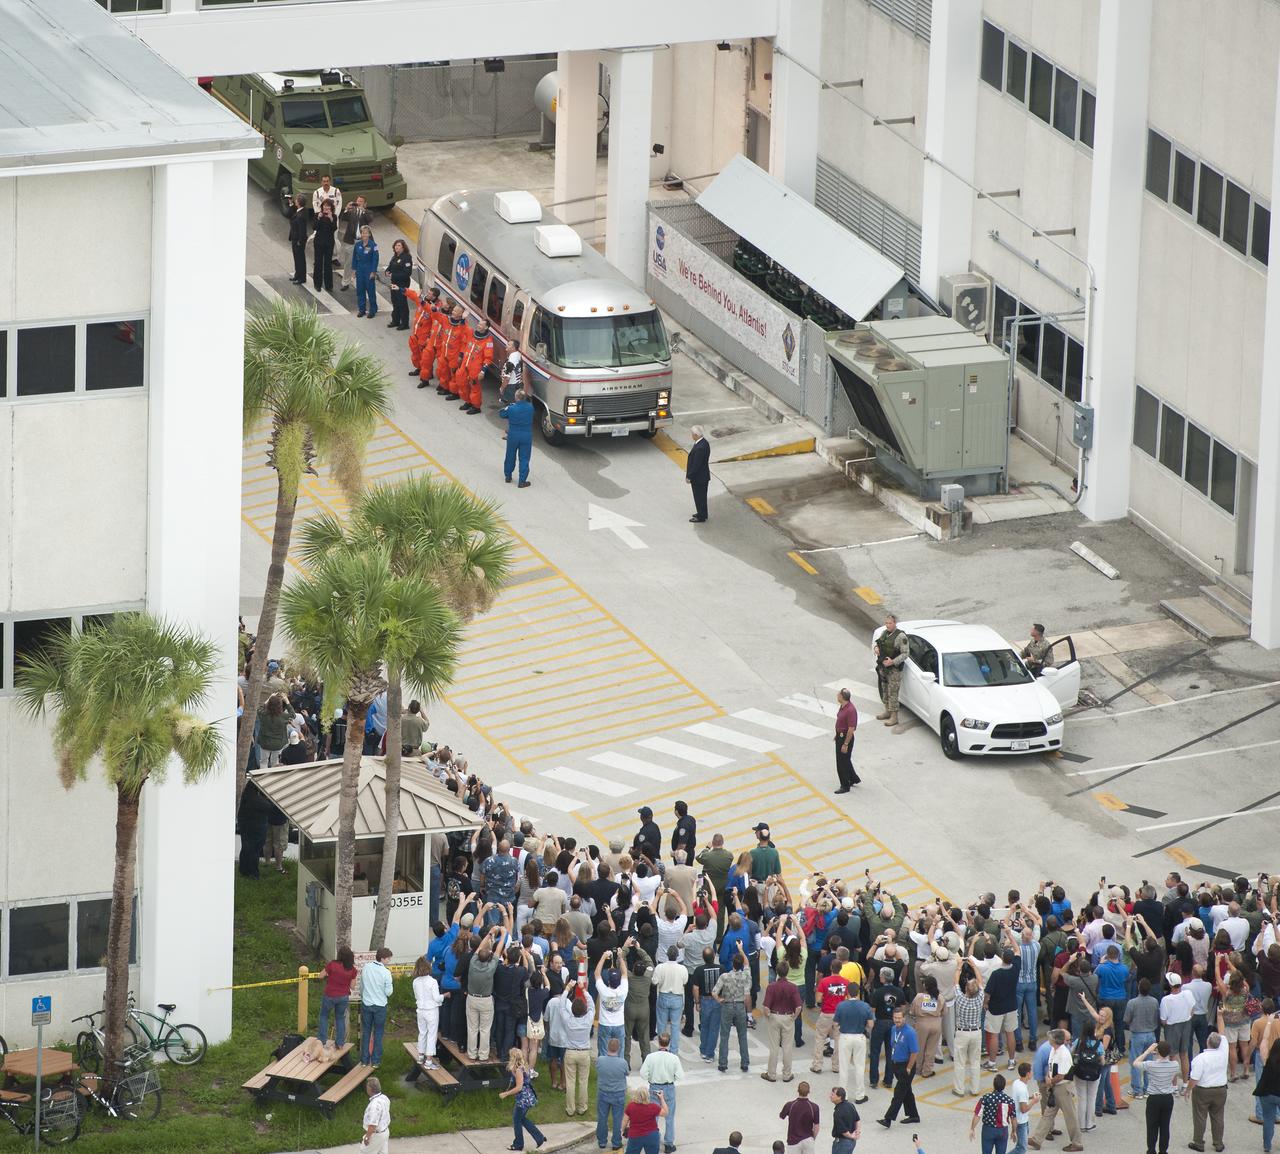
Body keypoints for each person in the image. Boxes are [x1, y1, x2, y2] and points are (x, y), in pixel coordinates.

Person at [1027, 1029, 1083, 1151]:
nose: (1049, 1040)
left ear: (1055, 1040)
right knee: (1048, 1113)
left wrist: (1050, 1081)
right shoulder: (1054, 1050)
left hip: (1062, 1087)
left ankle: (1077, 1143)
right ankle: (1037, 1139)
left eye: (1050, 1038)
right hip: (1055, 1086)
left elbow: (1062, 1075)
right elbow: (1051, 1066)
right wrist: (1048, 1076)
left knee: (1070, 1115)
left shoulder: (1063, 1054)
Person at [1133, 1039, 1181, 1154]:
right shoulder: (1174, 1065)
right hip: (1167, 1098)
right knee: (1165, 1125)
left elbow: (1135, 1063)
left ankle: (1151, 1150)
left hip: (1154, 1098)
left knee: (1152, 1126)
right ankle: (1163, 1151)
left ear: (1157, 1052)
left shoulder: (1151, 1065)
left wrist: (1147, 1052)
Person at [1184, 1030, 1228, 1153]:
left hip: (1203, 1091)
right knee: (1218, 1116)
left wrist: (1188, 1090)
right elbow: (1223, 1036)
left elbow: (1194, 1078)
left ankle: (1198, 1142)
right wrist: (1220, 1016)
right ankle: (1218, 1143)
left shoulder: (1200, 1059)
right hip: (1220, 1089)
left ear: (1207, 1042)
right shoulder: (1224, 1053)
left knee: (1200, 1117)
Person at [877, 1006, 920, 1129]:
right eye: (895, 1018)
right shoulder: (893, 1029)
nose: (897, 1020)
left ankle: (888, 1119)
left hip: (906, 1066)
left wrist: (908, 1068)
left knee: (898, 1093)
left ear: (904, 1018)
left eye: (899, 1018)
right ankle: (914, 1115)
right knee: (907, 1092)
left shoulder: (910, 1032)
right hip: (896, 1064)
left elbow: (914, 1052)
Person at [640, 1034, 683, 1153]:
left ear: (659, 1042)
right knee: (669, 1117)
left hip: (654, 1087)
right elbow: (680, 1075)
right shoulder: (673, 1058)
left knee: (654, 1116)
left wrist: (651, 1077)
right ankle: (669, 1143)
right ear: (669, 1043)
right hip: (668, 1087)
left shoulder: (650, 1057)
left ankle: (653, 1141)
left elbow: (643, 1073)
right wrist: (671, 1077)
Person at [763, 960, 804, 1082]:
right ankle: (787, 1074)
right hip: (788, 1017)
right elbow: (798, 1006)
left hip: (774, 1016)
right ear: (787, 972)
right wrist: (794, 1017)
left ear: (777, 971)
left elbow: (766, 1007)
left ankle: (771, 1074)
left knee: (774, 1047)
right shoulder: (793, 987)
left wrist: (768, 1016)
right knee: (787, 1047)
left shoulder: (771, 987)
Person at [499, 1048, 547, 1151]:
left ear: (513, 1058)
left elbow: (519, 1087)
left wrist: (506, 1094)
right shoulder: (523, 1066)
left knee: (517, 1120)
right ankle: (539, 1138)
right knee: (522, 1119)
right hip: (527, 1097)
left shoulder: (518, 1070)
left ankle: (518, 1144)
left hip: (523, 1099)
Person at [834, 982, 873, 1104]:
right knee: (859, 1066)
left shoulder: (841, 1006)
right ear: (858, 993)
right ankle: (860, 1095)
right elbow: (871, 1024)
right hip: (859, 1037)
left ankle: (842, 1095)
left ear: (847, 993)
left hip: (845, 1037)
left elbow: (835, 1023)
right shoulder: (865, 1006)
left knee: (844, 1066)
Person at [714, 946, 752, 1072]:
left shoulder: (725, 977)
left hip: (728, 1005)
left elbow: (715, 992)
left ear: (732, 964)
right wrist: (741, 949)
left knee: (724, 1035)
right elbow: (747, 963)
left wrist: (720, 1000)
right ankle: (745, 1062)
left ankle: (723, 1063)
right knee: (742, 1035)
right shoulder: (746, 975)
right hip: (740, 1006)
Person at [360, 946, 394, 1066]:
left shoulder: (366, 968)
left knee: (366, 1032)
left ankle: (364, 1060)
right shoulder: (386, 972)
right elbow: (389, 992)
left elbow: (362, 985)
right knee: (378, 1033)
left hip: (366, 1003)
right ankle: (375, 1061)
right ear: (383, 959)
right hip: (380, 1006)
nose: (389, 961)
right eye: (388, 959)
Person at [318, 945, 357, 1047]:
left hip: (330, 995)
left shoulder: (332, 965)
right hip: (343, 997)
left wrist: (329, 975)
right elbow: (352, 986)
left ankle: (322, 1040)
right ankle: (340, 1043)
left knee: (324, 1016)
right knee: (340, 1018)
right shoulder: (352, 970)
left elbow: (320, 976)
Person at [874, 614, 909, 727]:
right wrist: (876, 648)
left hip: (894, 669)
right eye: (886, 623)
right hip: (883, 667)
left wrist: (893, 662)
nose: (887, 625)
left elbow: (905, 653)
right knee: (884, 689)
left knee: (893, 692)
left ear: (895, 623)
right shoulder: (885, 633)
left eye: (890, 623)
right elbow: (878, 642)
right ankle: (887, 711)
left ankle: (894, 717)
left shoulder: (901, 637)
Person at [969, 1073, 1018, 1154]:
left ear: (994, 1085)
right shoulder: (1010, 1101)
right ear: (1004, 1086)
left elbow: (977, 1114)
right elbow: (1013, 1118)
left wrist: (972, 1128)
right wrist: (1014, 1131)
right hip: (1003, 1131)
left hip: (988, 1129)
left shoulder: (986, 1098)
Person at [596, 1035, 630, 1150]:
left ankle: (602, 1141)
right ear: (618, 1048)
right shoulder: (623, 1062)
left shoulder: (600, 1060)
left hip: (603, 1093)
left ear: (607, 1047)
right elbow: (626, 1073)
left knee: (602, 1117)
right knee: (617, 1119)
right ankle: (616, 1142)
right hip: (618, 1094)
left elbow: (598, 1069)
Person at [411, 954, 444, 1068]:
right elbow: (436, 998)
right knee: (431, 1034)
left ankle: (420, 1056)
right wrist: (444, 996)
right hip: (431, 1010)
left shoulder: (415, 982)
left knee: (422, 1033)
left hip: (420, 1010)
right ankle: (429, 1061)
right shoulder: (433, 981)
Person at [459, 317, 494, 414]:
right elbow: (464, 328)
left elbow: (488, 358)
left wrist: (483, 371)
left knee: (475, 387)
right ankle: (468, 401)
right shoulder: (472, 334)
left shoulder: (488, 341)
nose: (478, 325)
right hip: (465, 364)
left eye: (481, 324)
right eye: (479, 323)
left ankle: (476, 406)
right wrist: (462, 319)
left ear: (486, 327)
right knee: (462, 383)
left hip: (475, 368)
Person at [501, 389, 535, 487]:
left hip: (513, 435)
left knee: (510, 455)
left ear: (516, 397)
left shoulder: (511, 408)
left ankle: (508, 476)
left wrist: (507, 407)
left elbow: (502, 414)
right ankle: (522, 481)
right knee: (524, 458)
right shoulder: (530, 407)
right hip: (526, 435)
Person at [622, 1083, 667, 1154]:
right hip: (652, 1136)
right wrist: (661, 1098)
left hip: (635, 1136)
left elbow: (625, 1121)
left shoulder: (631, 1106)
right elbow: (665, 1112)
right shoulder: (653, 1107)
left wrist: (623, 1130)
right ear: (648, 1096)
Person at [339, 194, 372, 290]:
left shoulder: (368, 212)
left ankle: (362, 283)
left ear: (365, 204)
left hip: (363, 242)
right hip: (351, 240)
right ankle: (345, 282)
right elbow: (343, 217)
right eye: (358, 201)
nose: (359, 203)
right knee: (348, 262)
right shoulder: (352, 212)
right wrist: (346, 208)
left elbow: (370, 219)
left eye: (361, 201)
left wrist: (364, 211)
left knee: (363, 263)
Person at [780, 1081, 821, 1154]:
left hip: (793, 1141)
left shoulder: (790, 1105)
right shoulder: (814, 1107)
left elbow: (781, 1116)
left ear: (797, 1090)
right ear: (809, 1092)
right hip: (808, 1139)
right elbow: (817, 1126)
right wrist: (812, 1138)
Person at [439, 304, 470, 399]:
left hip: (454, 355)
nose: (453, 312)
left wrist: (461, 355)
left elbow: (465, 342)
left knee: (454, 375)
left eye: (456, 311)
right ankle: (445, 388)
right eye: (453, 310)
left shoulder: (463, 326)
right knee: (443, 371)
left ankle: (454, 393)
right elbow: (436, 315)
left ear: (461, 314)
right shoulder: (447, 320)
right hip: (445, 352)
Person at [833, 689, 859, 792]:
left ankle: (845, 785)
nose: (837, 695)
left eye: (838, 694)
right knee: (846, 760)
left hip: (845, 738)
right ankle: (852, 778)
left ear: (842, 697)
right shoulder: (843, 706)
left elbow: (851, 728)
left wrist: (845, 744)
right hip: (840, 736)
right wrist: (837, 734)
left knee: (841, 762)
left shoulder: (850, 710)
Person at [351, 225, 379, 318]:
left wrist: (373, 271)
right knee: (360, 291)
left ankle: (373, 310)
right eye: (363, 232)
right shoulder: (357, 245)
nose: (364, 234)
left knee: (370, 291)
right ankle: (362, 309)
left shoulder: (374, 246)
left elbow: (375, 259)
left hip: (368, 269)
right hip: (360, 269)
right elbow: (354, 258)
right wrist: (354, 270)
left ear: (369, 234)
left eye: (366, 233)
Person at [1009, 1062, 1037, 1154]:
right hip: (1021, 1122)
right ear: (1028, 1074)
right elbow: (1023, 1109)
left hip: (1019, 1120)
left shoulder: (1017, 1082)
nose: (1032, 1073)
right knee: (1021, 1148)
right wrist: (1034, 1101)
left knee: (1020, 1146)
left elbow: (1020, 1099)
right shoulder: (1022, 1089)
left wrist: (1030, 1097)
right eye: (1031, 1071)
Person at [385, 239, 413, 330]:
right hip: (394, 283)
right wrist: (387, 271)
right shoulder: (394, 257)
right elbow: (390, 267)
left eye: (399, 245)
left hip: (402, 284)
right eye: (396, 245)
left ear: (403, 247)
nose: (397, 247)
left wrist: (394, 275)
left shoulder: (407, 258)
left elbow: (407, 273)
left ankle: (404, 323)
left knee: (402, 303)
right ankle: (395, 320)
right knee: (395, 302)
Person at [685, 426, 711, 523]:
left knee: (699, 497)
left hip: (699, 478)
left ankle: (701, 516)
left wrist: (689, 476)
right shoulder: (704, 443)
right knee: (701, 496)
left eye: (692, 434)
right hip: (703, 476)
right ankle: (702, 513)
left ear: (696, 435)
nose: (691, 436)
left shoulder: (700, 447)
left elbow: (696, 465)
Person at [360, 1075, 390, 1153]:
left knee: (364, 1152)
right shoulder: (384, 1097)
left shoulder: (374, 1105)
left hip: (376, 1135)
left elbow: (373, 1124)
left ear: (370, 1089)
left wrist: (367, 1137)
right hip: (385, 1132)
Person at [312, 199, 337, 292]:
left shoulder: (334, 216)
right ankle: (317, 284)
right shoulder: (317, 215)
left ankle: (329, 285)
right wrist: (318, 218)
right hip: (318, 242)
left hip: (329, 243)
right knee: (318, 263)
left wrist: (331, 219)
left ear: (331, 207)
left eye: (328, 206)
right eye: (325, 206)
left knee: (328, 264)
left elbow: (334, 228)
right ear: (322, 207)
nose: (326, 208)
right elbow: (314, 227)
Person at [829, 1086, 860, 1154]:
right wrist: (857, 1133)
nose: (830, 1096)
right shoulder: (850, 1105)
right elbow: (857, 1120)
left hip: (842, 1144)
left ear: (839, 1097)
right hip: (851, 1143)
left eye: (832, 1094)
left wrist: (851, 1136)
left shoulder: (837, 1112)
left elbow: (843, 1131)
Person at [287, 193, 308, 284]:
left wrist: (300, 241)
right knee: (297, 258)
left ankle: (301, 277)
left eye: (296, 200)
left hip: (298, 240)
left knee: (300, 259)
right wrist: (291, 204)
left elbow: (302, 230)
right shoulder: (301, 211)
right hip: (296, 239)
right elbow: (292, 215)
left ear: (299, 202)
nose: (295, 201)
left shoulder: (300, 216)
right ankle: (297, 275)